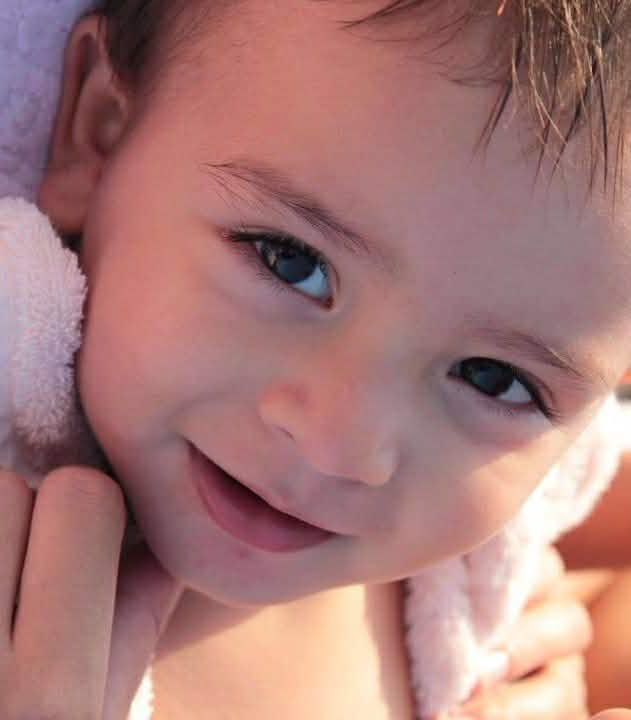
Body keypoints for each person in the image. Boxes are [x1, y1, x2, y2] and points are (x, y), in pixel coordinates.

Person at [2, 0, 631, 718]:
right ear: (103, 130)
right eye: (290, 262)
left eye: (495, 379)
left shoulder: (470, 564)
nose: (340, 446)